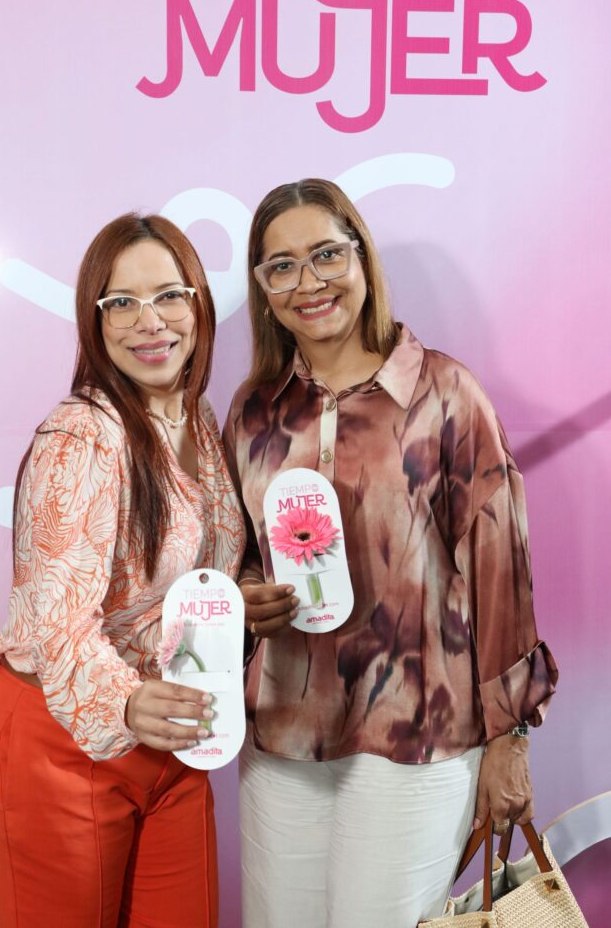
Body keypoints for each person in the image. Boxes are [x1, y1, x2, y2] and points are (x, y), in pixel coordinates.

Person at [223, 179, 558, 928]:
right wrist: (245, 594)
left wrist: (510, 739)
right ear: (263, 289)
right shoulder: (253, 411)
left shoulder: (446, 393)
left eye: (326, 255)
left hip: (417, 739)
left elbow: (500, 573)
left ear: (361, 259)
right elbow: (237, 551)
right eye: (281, 266)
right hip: (283, 738)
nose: (308, 282)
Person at [0, 213, 245, 928]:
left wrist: (247, 601)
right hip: (59, 741)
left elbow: (189, 581)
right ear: (95, 320)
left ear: (199, 303)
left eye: (169, 296)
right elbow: (57, 620)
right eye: (121, 302)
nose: (149, 322)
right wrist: (125, 704)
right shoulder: (80, 436)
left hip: (173, 734)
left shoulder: (197, 419)